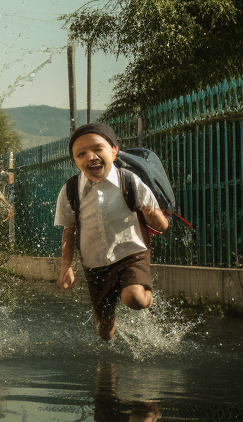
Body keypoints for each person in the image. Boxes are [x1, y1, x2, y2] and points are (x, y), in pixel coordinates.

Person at [54, 122, 169, 341]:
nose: (91, 157)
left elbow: (162, 225)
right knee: (105, 329)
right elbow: (68, 233)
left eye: (98, 149)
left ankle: (146, 297)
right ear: (76, 161)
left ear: (114, 151)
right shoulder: (70, 191)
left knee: (134, 298)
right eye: (82, 154)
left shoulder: (130, 181)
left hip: (131, 254)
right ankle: (107, 369)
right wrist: (66, 268)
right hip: (94, 264)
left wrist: (153, 215)